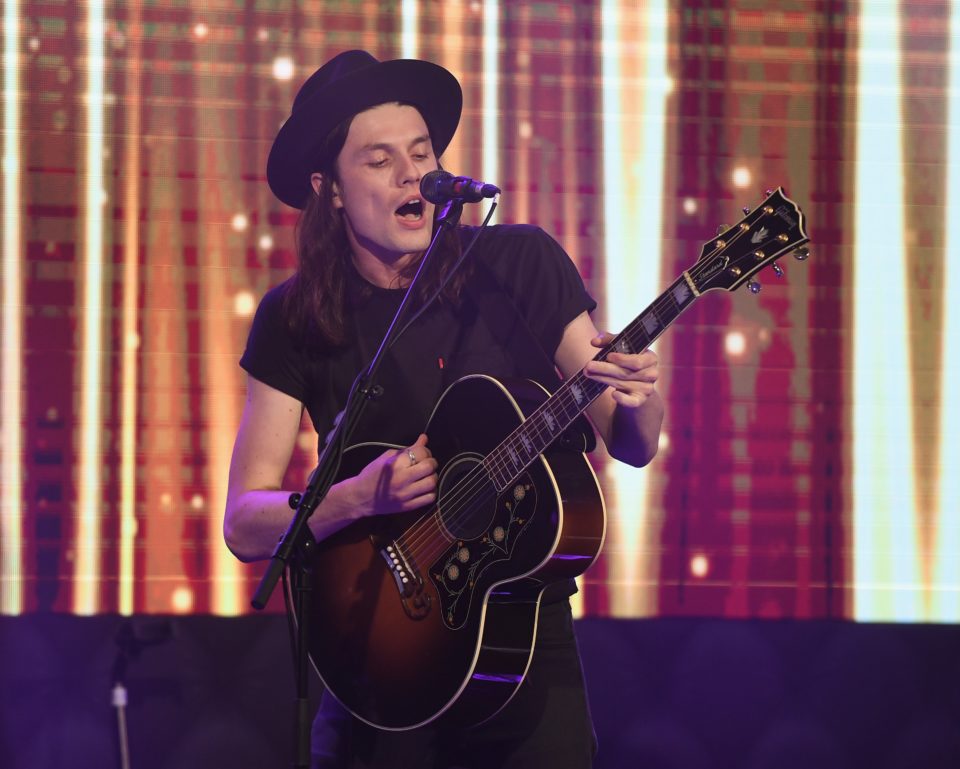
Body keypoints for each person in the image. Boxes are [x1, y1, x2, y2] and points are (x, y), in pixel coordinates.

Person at [223, 49, 664, 769]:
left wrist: (641, 396)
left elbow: (631, 439)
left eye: (421, 153)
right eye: (378, 159)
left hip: (523, 651)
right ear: (328, 188)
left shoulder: (519, 264)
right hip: (379, 653)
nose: (411, 175)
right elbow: (245, 522)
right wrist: (360, 498)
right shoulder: (295, 317)